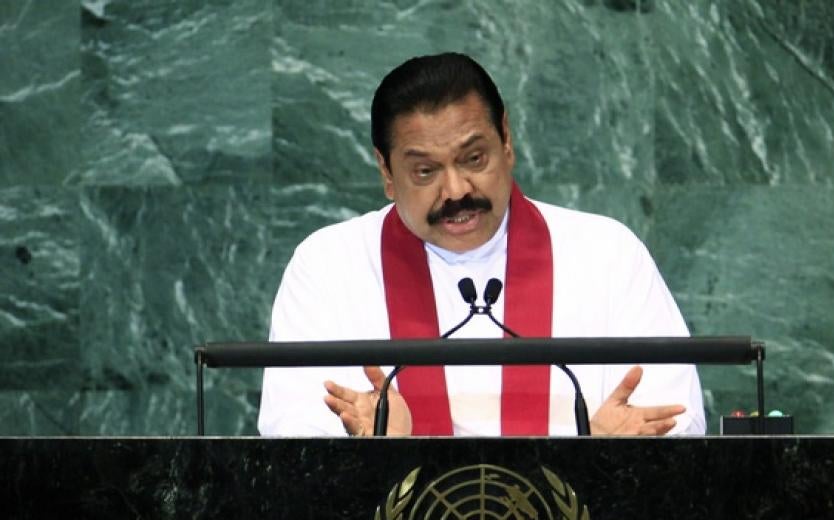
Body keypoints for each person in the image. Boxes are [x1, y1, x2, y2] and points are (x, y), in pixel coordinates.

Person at [258, 53, 705, 437]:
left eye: (474, 159)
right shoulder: (327, 267)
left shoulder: (607, 254)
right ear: (387, 173)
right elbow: (291, 444)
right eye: (425, 172)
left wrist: (601, 459)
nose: (455, 191)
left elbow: (677, 422)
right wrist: (378, 454)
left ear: (506, 140)